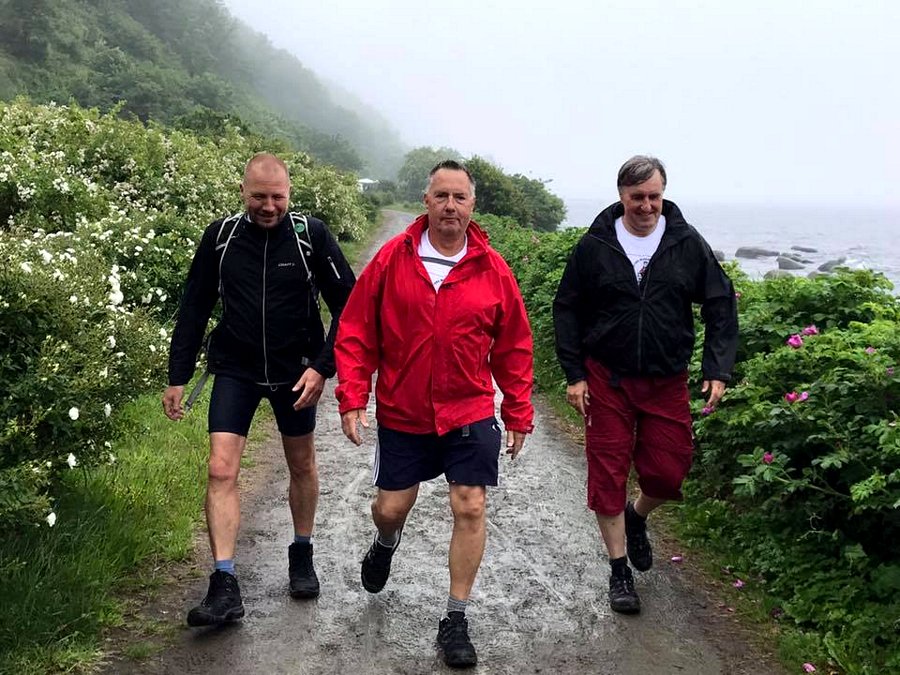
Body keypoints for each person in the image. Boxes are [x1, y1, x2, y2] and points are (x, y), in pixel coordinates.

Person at [334, 160, 534, 668]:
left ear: (472, 205)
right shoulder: (392, 259)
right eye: (441, 196)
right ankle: (385, 541)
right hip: (404, 411)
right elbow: (356, 330)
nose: (450, 206)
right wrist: (353, 395)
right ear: (426, 201)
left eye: (459, 197)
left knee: (470, 505)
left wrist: (517, 410)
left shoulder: (492, 268)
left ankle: (455, 617)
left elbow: (514, 345)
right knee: (390, 508)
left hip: (469, 409)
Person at [163, 153, 355, 626]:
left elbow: (350, 306)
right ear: (242, 192)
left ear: (289, 193)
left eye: (277, 197)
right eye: (258, 197)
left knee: (301, 464)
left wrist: (323, 368)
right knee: (220, 469)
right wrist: (177, 375)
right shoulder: (222, 237)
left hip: (296, 372)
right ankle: (224, 582)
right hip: (236, 369)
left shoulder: (312, 237)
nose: (268, 206)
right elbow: (194, 306)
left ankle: (302, 552)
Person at [552, 155, 738, 615]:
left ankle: (637, 516)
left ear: (663, 194)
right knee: (608, 474)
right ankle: (619, 571)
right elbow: (567, 308)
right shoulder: (596, 244)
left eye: (654, 196)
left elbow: (720, 302)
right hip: (607, 378)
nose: (647, 206)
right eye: (637, 197)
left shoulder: (685, 243)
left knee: (669, 472)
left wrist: (717, 367)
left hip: (666, 379)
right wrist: (575, 375)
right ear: (621, 196)